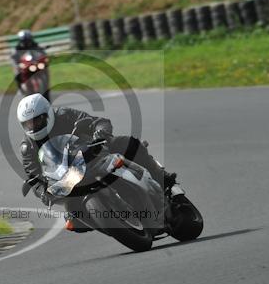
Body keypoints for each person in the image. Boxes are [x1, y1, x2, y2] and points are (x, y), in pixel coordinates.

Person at [17, 93, 177, 232]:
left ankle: (162, 177)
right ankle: (103, 219)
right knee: (73, 221)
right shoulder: (28, 147)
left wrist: (101, 133)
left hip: (94, 152)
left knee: (131, 144)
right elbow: (33, 175)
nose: (33, 126)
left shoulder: (64, 115)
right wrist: (42, 191)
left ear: (48, 114)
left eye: (37, 121)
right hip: (67, 176)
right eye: (28, 124)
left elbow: (98, 121)